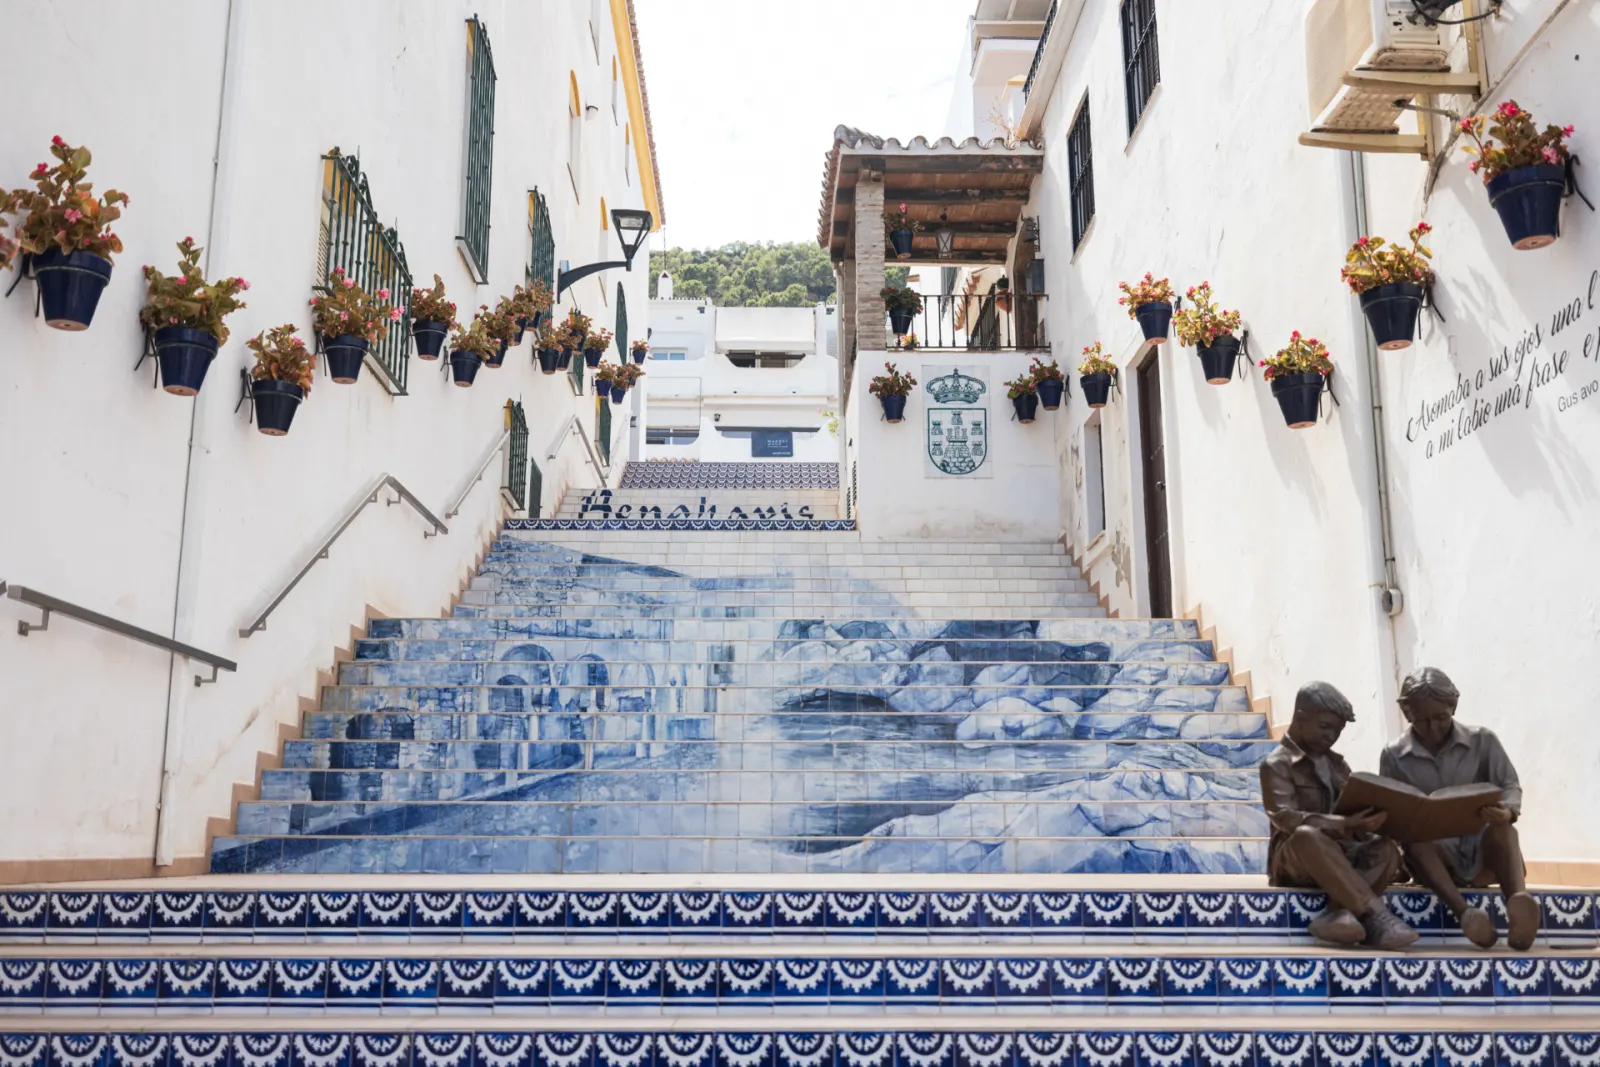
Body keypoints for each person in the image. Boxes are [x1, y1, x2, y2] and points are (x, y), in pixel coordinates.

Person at [1380, 666, 1536, 950]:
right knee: (1414, 843)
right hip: (1436, 859)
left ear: (1453, 706)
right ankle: (1466, 914)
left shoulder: (1482, 740)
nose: (1433, 728)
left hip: (1482, 849)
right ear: (1407, 713)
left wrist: (1506, 810)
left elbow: (1509, 784)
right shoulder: (1394, 755)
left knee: (1504, 830)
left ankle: (1519, 903)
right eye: (1422, 720)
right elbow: (1393, 810)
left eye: (1441, 717)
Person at [1259, 681, 1417, 949]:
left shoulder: (1338, 765)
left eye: (1338, 731)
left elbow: (1352, 805)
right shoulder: (1276, 764)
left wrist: (1373, 819)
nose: (1331, 736)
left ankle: (1336, 916)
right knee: (1307, 835)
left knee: (1386, 850)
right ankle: (1377, 917)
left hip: (1342, 853)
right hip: (1296, 861)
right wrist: (1345, 824)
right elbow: (1284, 817)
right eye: (1325, 727)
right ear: (1300, 716)